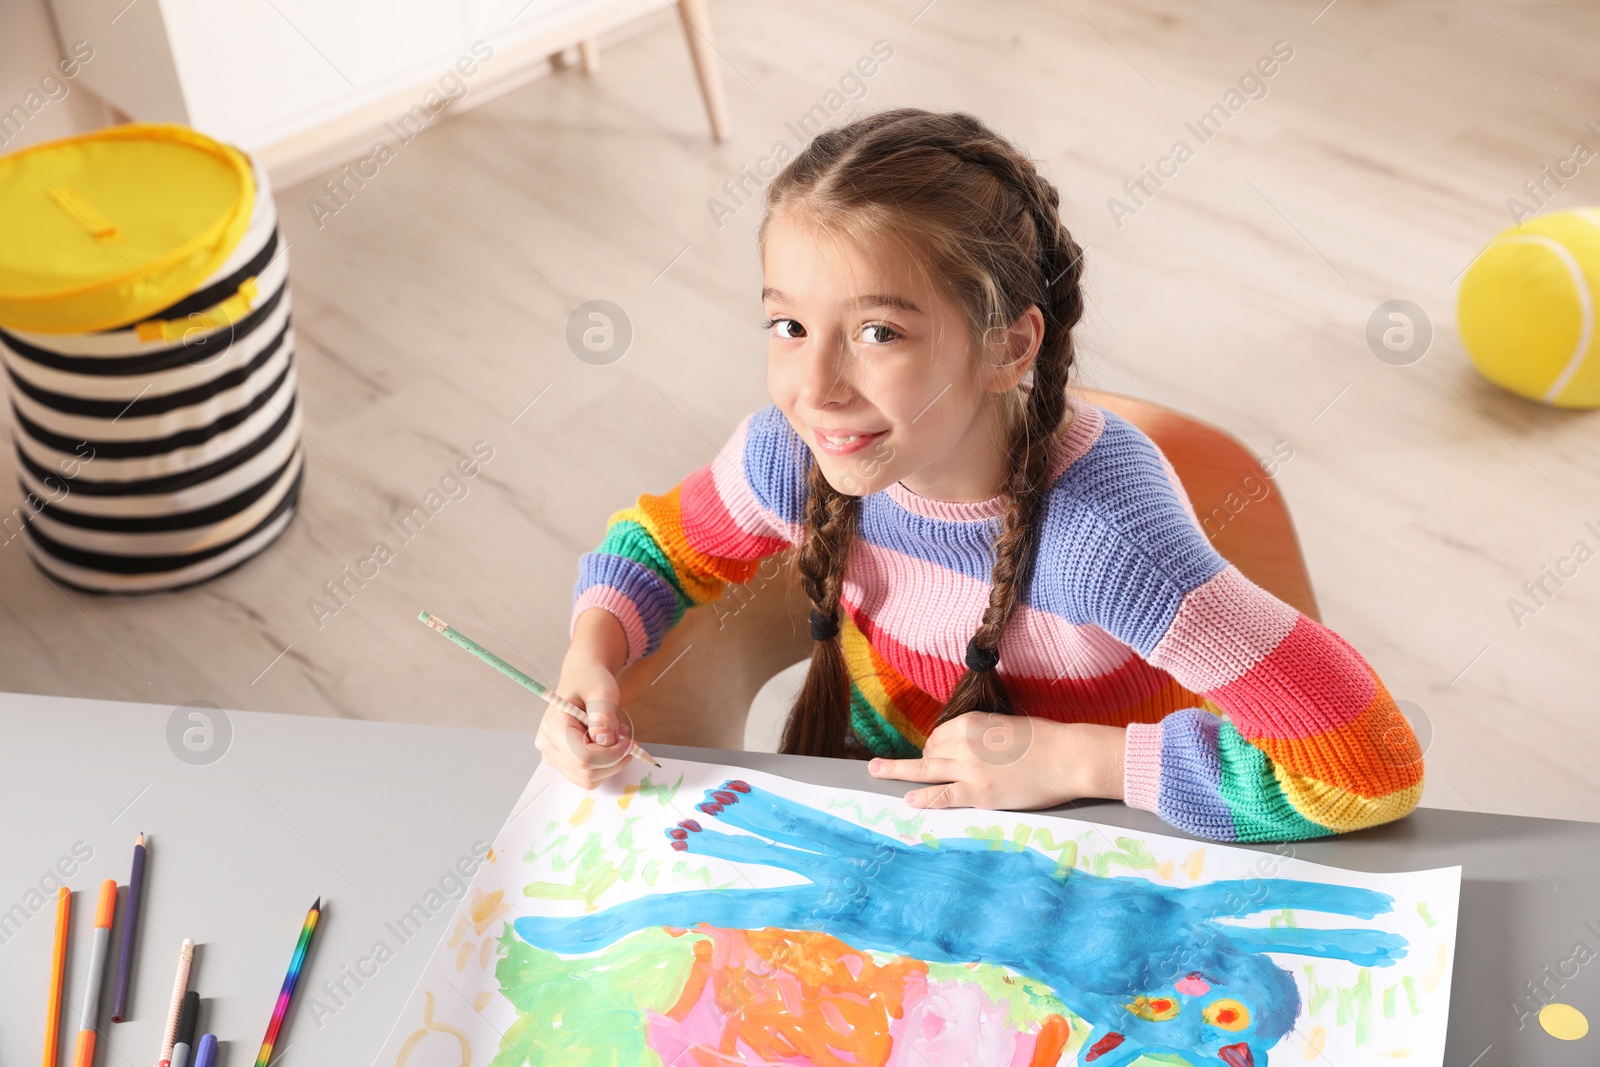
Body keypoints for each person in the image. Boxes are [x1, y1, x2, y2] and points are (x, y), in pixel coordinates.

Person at [539, 108, 1423, 843]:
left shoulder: (1106, 539)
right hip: (900, 814)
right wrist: (592, 651)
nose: (814, 391)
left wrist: (1072, 761)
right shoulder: (788, 456)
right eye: (789, 327)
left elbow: (1369, 759)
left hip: (1113, 832)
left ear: (1009, 347)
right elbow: (653, 549)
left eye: (878, 332)